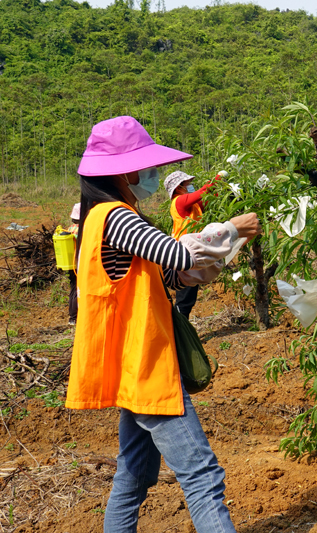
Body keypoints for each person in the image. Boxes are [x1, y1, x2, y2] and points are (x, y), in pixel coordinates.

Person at [66, 116, 261, 533]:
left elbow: (162, 275)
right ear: (124, 171)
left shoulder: (104, 216)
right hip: (145, 367)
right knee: (202, 476)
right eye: (148, 166)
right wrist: (232, 230)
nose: (152, 175)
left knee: (133, 475)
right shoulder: (114, 216)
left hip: (133, 367)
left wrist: (227, 245)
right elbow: (176, 255)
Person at [164, 169, 224, 318]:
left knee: (189, 296)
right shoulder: (179, 201)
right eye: (188, 184)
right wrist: (218, 177)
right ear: (178, 187)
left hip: (192, 251)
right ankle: (178, 331)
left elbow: (209, 196)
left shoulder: (193, 205)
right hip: (183, 252)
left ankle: (180, 328)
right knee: (184, 298)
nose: (191, 186)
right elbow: (203, 191)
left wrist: (221, 188)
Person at [66, 203, 80, 325]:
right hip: (79, 264)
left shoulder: (69, 229)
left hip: (70, 264)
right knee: (78, 289)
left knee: (73, 289)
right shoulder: (82, 230)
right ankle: (75, 317)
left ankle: (72, 316)